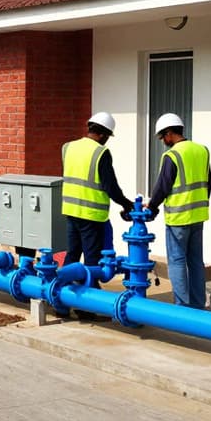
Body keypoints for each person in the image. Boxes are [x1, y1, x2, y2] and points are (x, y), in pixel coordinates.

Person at [145, 113, 211, 309]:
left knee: (176, 262)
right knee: (195, 262)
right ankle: (198, 305)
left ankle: (182, 308)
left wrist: (151, 206)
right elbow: (209, 183)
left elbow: (162, 187)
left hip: (178, 218)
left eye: (162, 137)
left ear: (169, 133)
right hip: (198, 216)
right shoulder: (202, 150)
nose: (162, 141)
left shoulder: (172, 155)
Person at [61, 112, 134, 289]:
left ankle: (59, 300)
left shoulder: (68, 147)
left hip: (71, 210)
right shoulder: (101, 152)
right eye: (107, 136)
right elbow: (111, 187)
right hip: (91, 215)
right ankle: (86, 306)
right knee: (92, 260)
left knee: (72, 255)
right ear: (102, 134)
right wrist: (127, 204)